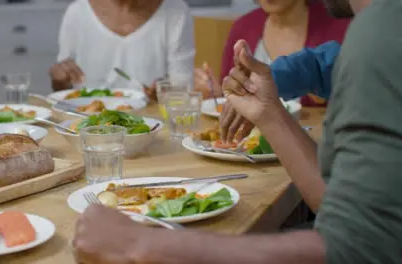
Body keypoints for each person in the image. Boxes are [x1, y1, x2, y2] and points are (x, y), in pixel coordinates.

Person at [73, 0, 402, 263]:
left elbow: (358, 249)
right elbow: (340, 208)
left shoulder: (380, 30)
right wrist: (271, 104)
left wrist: (143, 245)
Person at [195, 0, 350, 106]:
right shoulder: (242, 27)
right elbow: (235, 98)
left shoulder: (340, 26)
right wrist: (219, 95)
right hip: (250, 146)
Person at [49, 0, 195, 100]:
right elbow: (62, 93)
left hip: (151, 125)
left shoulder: (176, 12)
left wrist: (163, 92)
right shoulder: (77, 12)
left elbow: (184, 88)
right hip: (85, 122)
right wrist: (59, 79)